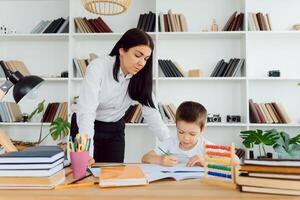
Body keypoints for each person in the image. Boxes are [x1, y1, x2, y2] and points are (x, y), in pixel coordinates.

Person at [74, 28, 170, 164]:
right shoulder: (98, 67)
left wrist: (173, 146)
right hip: (86, 126)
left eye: (146, 59)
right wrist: (86, 152)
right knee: (83, 171)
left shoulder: (140, 77)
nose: (142, 63)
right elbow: (86, 113)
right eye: (138, 55)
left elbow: (152, 114)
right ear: (122, 50)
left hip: (115, 129)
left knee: (114, 176)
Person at [142, 101, 240, 167]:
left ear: (202, 130)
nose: (185, 138)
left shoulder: (205, 145)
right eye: (181, 132)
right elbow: (145, 158)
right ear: (176, 126)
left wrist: (206, 161)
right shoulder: (170, 143)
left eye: (192, 134)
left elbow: (236, 161)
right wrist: (160, 160)